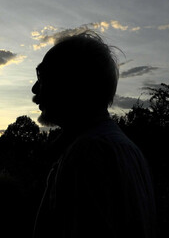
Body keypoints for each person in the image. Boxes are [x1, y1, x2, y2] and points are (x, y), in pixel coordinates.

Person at [31, 31, 156, 238]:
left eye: (43, 77)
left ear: (72, 83)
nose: (35, 89)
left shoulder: (88, 153)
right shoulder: (128, 149)